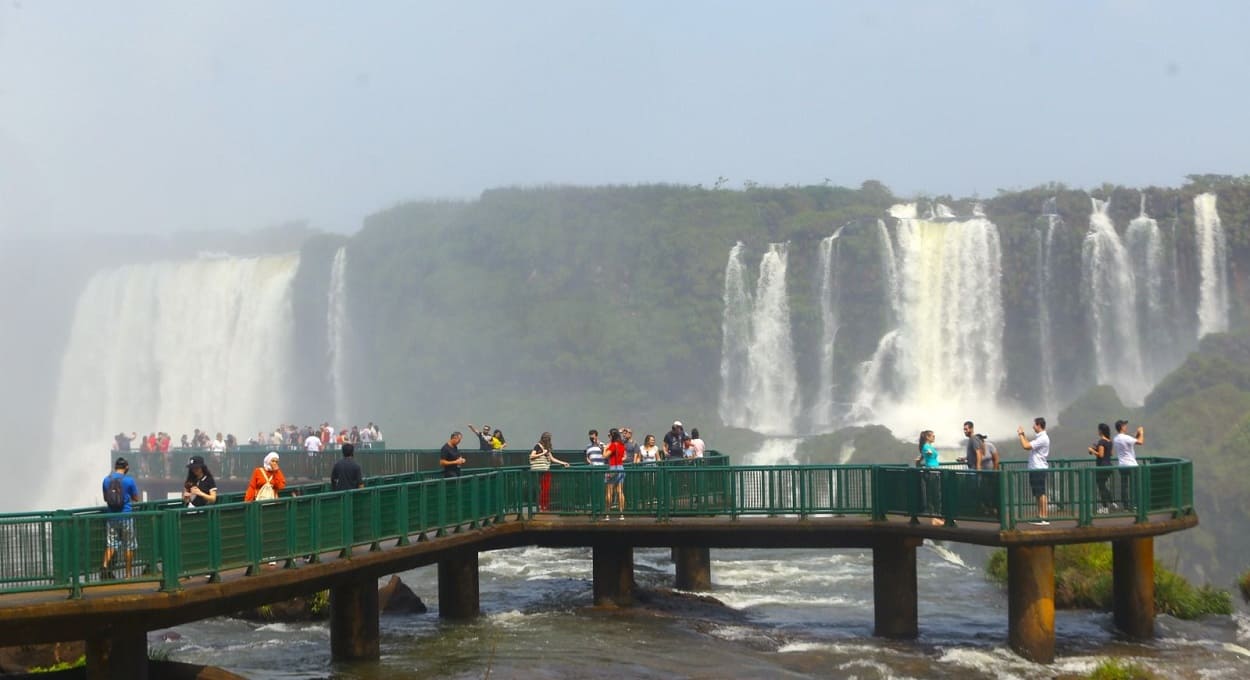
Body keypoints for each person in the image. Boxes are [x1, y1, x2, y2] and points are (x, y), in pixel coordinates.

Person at [101, 457, 140, 579]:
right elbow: (136, 498)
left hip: (111, 517)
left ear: (115, 467)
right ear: (126, 467)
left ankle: (104, 567)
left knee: (111, 544)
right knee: (129, 545)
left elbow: (105, 498)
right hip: (126, 516)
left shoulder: (106, 480)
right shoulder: (129, 480)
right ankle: (128, 574)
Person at [1017, 417, 1050, 525]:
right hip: (1035, 468)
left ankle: (1044, 517)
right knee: (1037, 493)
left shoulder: (1043, 438)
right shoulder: (1040, 437)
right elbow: (1029, 445)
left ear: (1039, 425)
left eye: (1034, 425)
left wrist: (1020, 435)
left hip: (1038, 468)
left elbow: (1026, 446)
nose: (1033, 427)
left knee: (1041, 493)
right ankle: (1040, 515)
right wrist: (1023, 435)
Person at [529, 432, 569, 511]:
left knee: (546, 489)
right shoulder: (538, 446)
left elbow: (552, 459)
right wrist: (542, 453)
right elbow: (532, 456)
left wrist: (563, 463)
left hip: (546, 469)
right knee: (541, 489)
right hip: (538, 470)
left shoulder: (547, 447)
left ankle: (544, 506)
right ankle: (541, 506)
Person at [1113, 419, 1144, 508]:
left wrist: (1137, 434)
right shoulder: (1126, 438)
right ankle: (1136, 505)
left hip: (1122, 465)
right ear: (1122, 427)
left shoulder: (1116, 438)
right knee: (1136, 485)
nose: (1126, 427)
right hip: (1131, 465)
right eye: (1125, 425)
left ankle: (1126, 505)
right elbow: (1140, 442)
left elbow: (1132, 440)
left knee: (1125, 486)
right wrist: (1141, 432)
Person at [914, 430, 942, 525]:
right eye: (932, 436)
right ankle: (934, 518)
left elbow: (922, 456)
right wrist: (927, 453)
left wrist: (919, 460)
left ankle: (938, 517)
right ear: (927, 437)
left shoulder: (929, 446)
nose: (934, 437)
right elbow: (926, 453)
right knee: (933, 495)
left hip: (935, 472)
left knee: (937, 494)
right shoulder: (926, 447)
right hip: (931, 472)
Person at [1088, 423, 1115, 513]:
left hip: (1102, 467)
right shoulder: (1109, 441)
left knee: (1101, 487)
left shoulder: (1101, 442)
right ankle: (1112, 503)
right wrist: (1097, 449)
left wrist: (1092, 450)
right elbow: (1110, 454)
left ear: (1101, 431)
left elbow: (1101, 455)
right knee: (1103, 486)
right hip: (1109, 466)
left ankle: (1105, 507)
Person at [605, 430, 627, 519]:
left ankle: (607, 514)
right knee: (620, 491)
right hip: (621, 468)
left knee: (609, 492)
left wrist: (605, 448)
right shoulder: (622, 445)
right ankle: (622, 514)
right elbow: (624, 456)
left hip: (613, 468)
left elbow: (605, 455)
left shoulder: (613, 445)